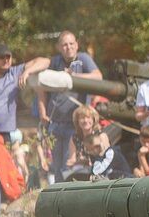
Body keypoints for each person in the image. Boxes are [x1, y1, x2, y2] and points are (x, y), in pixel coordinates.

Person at [28, 31, 101, 182]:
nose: (69, 47)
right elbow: (41, 86)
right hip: (54, 123)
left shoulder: (83, 59)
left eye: (71, 44)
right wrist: (42, 111)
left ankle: (69, 193)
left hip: (74, 125)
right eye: (64, 45)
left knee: (69, 166)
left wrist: (73, 77)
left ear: (77, 45)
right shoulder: (55, 62)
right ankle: (58, 193)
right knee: (56, 167)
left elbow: (98, 77)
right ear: (59, 47)